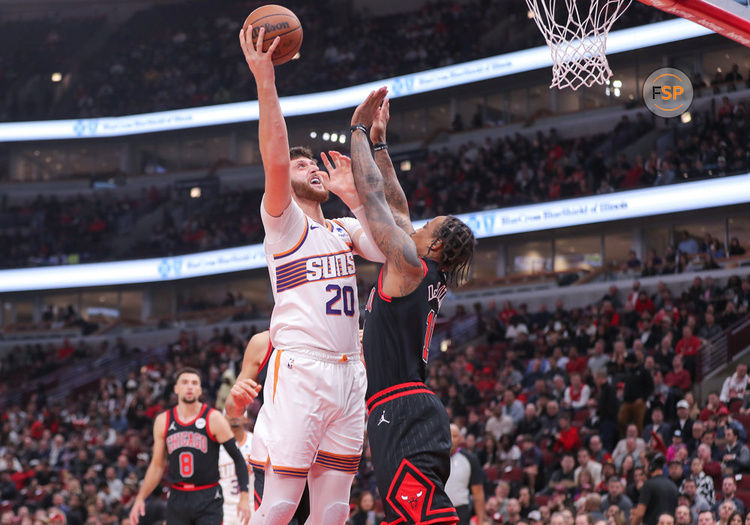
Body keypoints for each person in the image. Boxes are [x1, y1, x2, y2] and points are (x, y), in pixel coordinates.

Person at [238, 25, 390, 525]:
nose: (310, 167)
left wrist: (356, 191)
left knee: (334, 511)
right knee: (280, 506)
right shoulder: (284, 223)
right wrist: (265, 80)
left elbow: (390, 249)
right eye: (303, 166)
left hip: (350, 372)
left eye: (314, 163)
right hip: (301, 368)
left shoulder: (346, 228)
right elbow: (277, 157)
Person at [350, 89, 475, 525]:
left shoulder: (409, 267)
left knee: (421, 518)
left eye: (426, 226)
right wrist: (382, 144)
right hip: (410, 406)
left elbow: (376, 201)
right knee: (405, 516)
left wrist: (359, 132)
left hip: (398, 407)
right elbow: (399, 209)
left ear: (435, 244)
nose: (417, 225)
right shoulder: (421, 270)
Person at [128, 368, 251, 525]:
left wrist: (244, 497)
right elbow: (157, 466)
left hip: (208, 497)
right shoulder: (163, 420)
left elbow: (238, 459)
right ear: (176, 388)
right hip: (177, 497)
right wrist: (140, 498)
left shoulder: (213, 418)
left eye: (194, 383)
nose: (189, 386)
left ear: (200, 390)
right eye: (185, 382)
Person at [225, 331, 311, 523]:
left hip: (321, 454)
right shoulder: (263, 342)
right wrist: (237, 400)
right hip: (276, 454)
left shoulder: (336, 333)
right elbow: (232, 409)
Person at [445, 425, 486, 525]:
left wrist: (480, 521)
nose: (451, 439)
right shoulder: (433, 458)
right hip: (437, 510)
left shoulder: (470, 459)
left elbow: (478, 493)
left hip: (460, 511)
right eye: (448, 435)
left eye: (454, 436)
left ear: (460, 439)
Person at [218, 413, 253, 525]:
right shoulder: (216, 446)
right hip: (225, 508)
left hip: (251, 505)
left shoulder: (255, 441)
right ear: (223, 419)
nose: (234, 415)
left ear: (246, 418)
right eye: (230, 413)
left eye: (239, 412)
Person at [629, 453, 678, 525]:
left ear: (651, 466)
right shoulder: (673, 485)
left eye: (645, 465)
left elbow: (639, 514)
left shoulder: (648, 484)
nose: (644, 469)